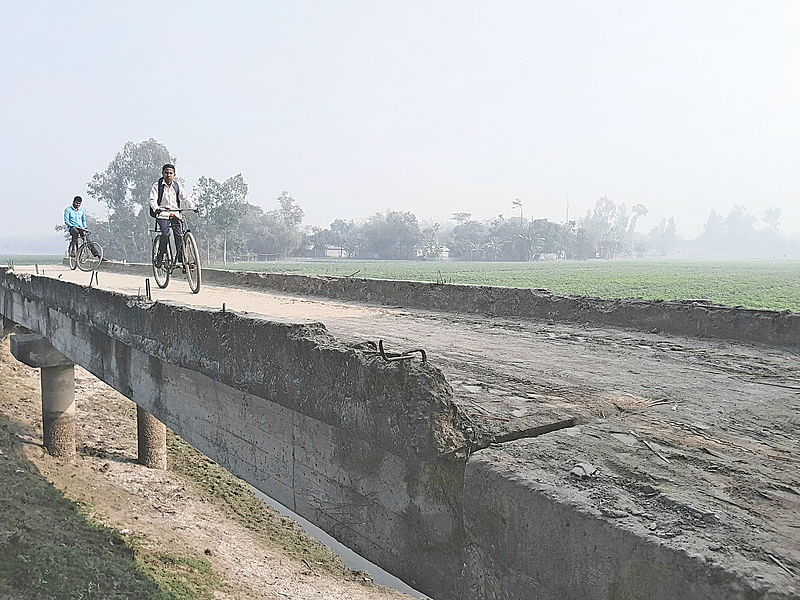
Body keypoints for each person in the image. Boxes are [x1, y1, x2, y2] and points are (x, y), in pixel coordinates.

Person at [148, 164, 196, 268]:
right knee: (166, 234)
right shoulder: (157, 186)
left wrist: (193, 207)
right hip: (162, 214)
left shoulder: (177, 186)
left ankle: (182, 259)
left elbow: (185, 198)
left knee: (179, 236)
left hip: (175, 213)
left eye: (170, 173)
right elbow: (152, 199)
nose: (168, 175)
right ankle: (161, 254)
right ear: (162, 174)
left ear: (174, 175)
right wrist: (156, 208)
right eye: (166, 173)